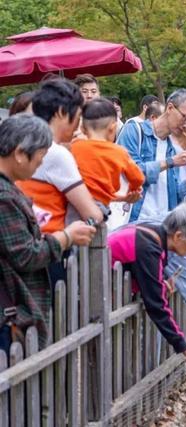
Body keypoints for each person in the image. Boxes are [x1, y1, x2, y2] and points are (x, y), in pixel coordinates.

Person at [0, 114, 96, 353]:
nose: (40, 165)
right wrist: (66, 237)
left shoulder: (8, 189)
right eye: (40, 157)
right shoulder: (4, 196)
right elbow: (24, 255)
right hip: (8, 310)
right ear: (21, 153)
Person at [108, 203, 186, 368]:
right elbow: (156, 305)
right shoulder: (148, 248)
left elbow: (145, 278)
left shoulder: (153, 236)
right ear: (179, 236)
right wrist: (183, 347)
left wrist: (159, 285)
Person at [17, 79, 104, 234]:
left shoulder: (21, 143)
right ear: (61, 113)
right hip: (51, 244)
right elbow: (92, 215)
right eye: (78, 115)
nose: (79, 124)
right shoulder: (56, 153)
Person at [117, 88, 186, 222]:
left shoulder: (172, 149)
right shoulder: (134, 131)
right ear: (170, 108)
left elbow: (174, 197)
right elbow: (129, 172)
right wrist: (169, 162)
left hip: (163, 227)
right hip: (133, 224)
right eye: (185, 118)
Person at [70, 98, 144, 212]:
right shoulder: (119, 152)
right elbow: (138, 178)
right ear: (113, 127)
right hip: (98, 209)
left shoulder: (74, 148)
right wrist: (133, 190)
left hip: (74, 205)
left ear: (82, 129)